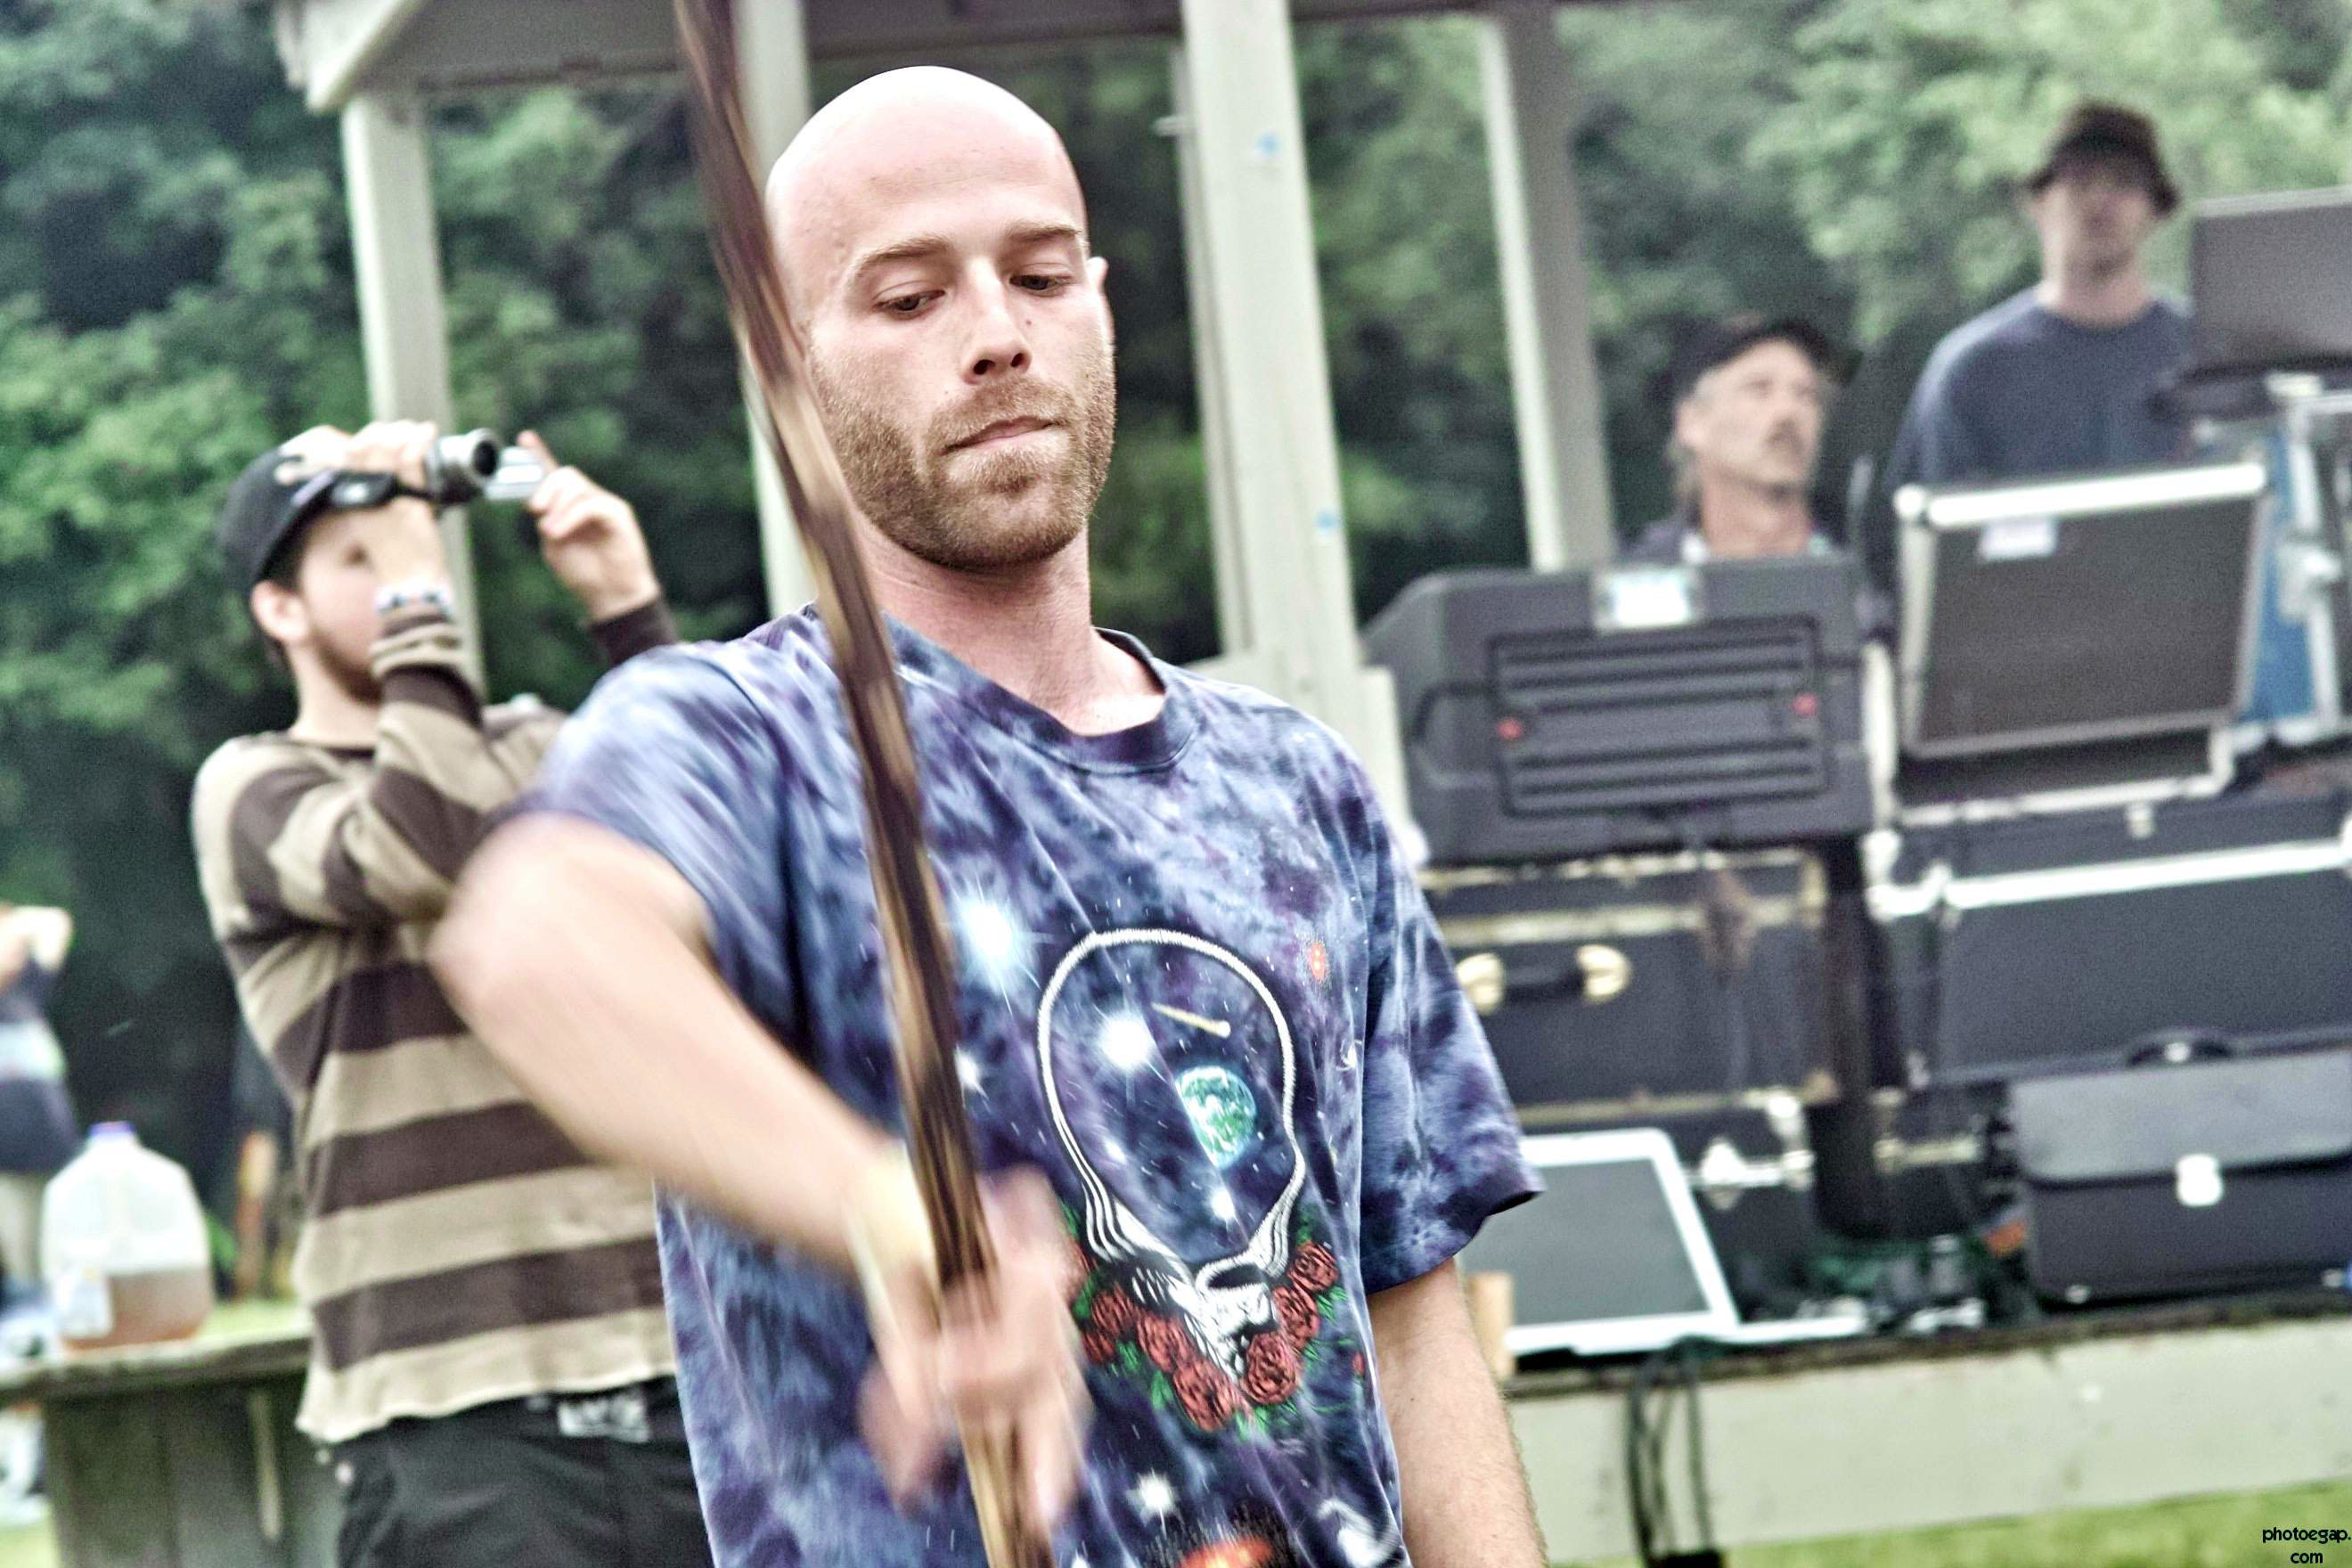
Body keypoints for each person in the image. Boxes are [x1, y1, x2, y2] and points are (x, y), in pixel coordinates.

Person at [437, 67, 1546, 1568]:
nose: (998, 334)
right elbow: (536, 946)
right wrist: (892, 1216)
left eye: (1039, 275)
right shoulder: (745, 735)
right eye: (909, 298)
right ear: (788, 367)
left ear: (1100, 306)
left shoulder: (1301, 788)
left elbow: (1409, 1326)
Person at [188, 421, 711, 1568]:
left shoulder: (529, 741)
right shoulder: (254, 787)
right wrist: (419, 596)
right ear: (280, 608)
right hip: (451, 1414)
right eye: (360, 557)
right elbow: (419, 846)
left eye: (412, 546)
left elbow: (708, 845)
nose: (404, 572)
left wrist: (629, 611)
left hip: (672, 1372)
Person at [1885, 102, 2191, 494]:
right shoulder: (1974, 369)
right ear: (2037, 201)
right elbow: (1930, 519)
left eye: (2124, 181)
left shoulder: (2208, 353)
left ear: (2156, 209)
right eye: (2079, 179)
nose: (2100, 200)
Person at [1627, 314, 1850, 566]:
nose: (1788, 411)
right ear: (1692, 421)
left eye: (1805, 394)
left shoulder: (1869, 570)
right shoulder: (1638, 578)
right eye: (1759, 389)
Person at [0, 903, 78, 1303]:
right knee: (25, 1270)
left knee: (66, 1257)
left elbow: (56, 923)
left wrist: (13, 925)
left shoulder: (25, 991)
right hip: (9, 1167)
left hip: (55, 1152)